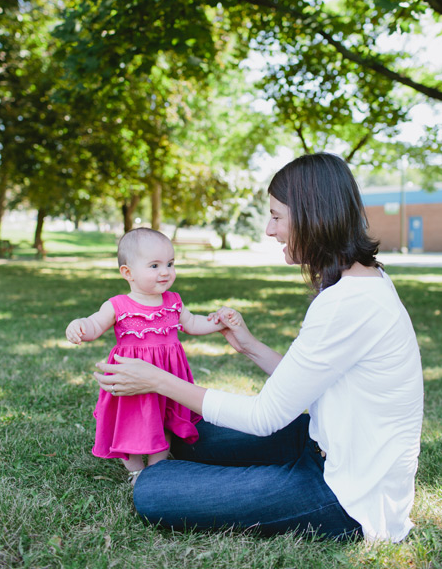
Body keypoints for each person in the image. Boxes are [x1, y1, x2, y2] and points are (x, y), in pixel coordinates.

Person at [93, 153, 424, 542]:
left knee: (154, 490)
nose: (270, 229)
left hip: (346, 493)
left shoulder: (347, 302)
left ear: (311, 216)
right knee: (184, 435)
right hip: (322, 440)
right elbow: (311, 379)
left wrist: (156, 380)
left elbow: (263, 416)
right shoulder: (363, 281)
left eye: (276, 216)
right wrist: (248, 346)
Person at [66, 227, 238, 484]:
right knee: (129, 421)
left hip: (168, 375)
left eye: (170, 263)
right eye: (155, 265)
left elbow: (192, 324)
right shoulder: (118, 305)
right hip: (132, 377)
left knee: (164, 418)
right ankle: (135, 470)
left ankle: (158, 468)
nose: (166, 271)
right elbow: (95, 325)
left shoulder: (173, 301)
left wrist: (217, 322)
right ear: (128, 273)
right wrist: (81, 326)